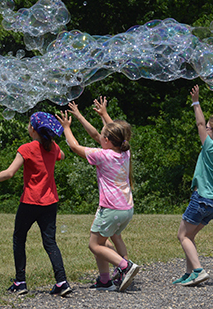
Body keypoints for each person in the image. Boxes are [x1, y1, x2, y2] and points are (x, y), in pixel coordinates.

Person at [0, 112, 73, 297]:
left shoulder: (27, 148)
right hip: (50, 202)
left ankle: (20, 282)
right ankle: (62, 281)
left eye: (29, 124)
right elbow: (63, 156)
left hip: (30, 202)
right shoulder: (53, 147)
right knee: (50, 242)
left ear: (33, 129)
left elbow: (10, 173)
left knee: (19, 239)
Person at [56, 109, 140, 292]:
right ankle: (104, 280)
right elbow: (113, 132)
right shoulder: (124, 152)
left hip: (111, 209)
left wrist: (66, 128)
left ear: (107, 141)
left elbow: (75, 147)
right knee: (103, 241)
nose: (98, 135)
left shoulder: (103, 156)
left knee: (94, 245)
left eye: (101, 135)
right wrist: (102, 114)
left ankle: (125, 266)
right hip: (126, 208)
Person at [174, 85, 213, 286]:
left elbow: (200, 123)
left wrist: (196, 101)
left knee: (182, 235)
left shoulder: (209, 146)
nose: (205, 128)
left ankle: (198, 271)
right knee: (189, 236)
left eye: (209, 128)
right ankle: (189, 273)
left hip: (201, 200)